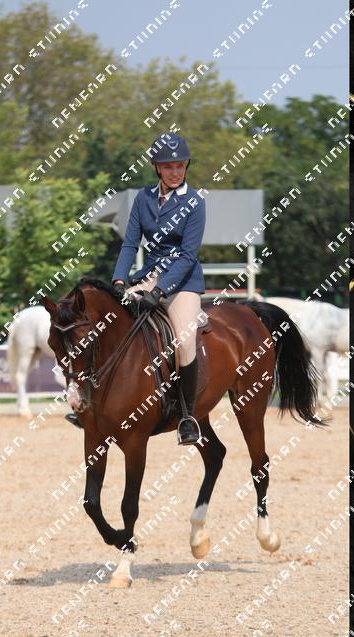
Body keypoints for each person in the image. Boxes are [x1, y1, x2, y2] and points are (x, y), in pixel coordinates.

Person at [111, 132, 206, 445]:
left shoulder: (194, 202)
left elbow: (188, 255)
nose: (175, 172)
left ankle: (187, 417)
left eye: (179, 166)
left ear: (186, 166)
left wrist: (160, 290)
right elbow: (130, 243)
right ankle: (99, 402)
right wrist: (119, 280)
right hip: (147, 277)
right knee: (112, 325)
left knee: (184, 341)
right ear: (157, 168)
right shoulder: (144, 198)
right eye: (168, 166)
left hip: (183, 282)